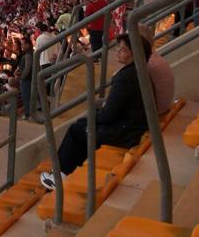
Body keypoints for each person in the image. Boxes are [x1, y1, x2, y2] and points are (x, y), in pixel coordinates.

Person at [40, 33, 151, 190]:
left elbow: (109, 114)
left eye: (123, 49)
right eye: (118, 47)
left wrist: (93, 117)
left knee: (76, 129)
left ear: (136, 54)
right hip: (131, 127)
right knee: (82, 125)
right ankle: (67, 171)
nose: (118, 51)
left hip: (125, 133)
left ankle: (59, 175)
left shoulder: (125, 77)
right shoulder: (137, 71)